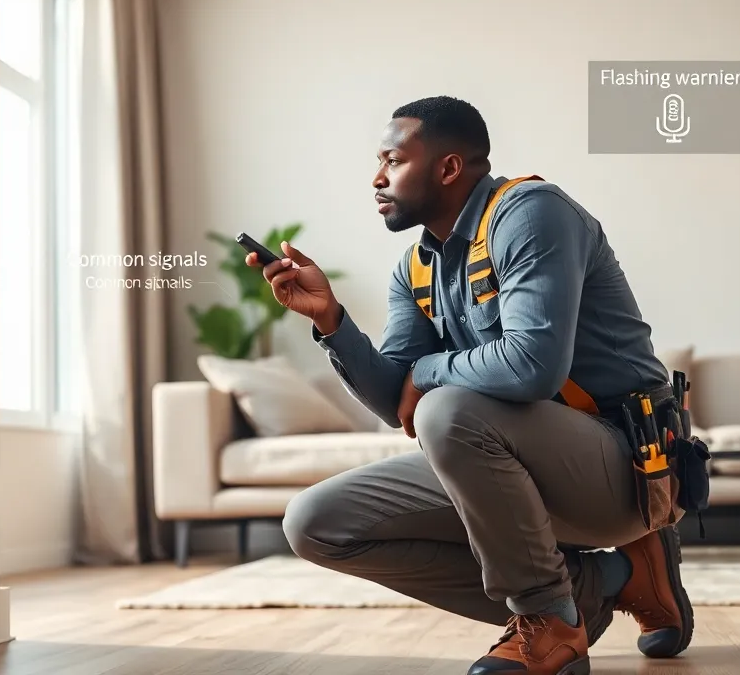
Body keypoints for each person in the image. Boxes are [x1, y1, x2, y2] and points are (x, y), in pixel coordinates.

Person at [246, 96, 693, 675]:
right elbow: (394, 403)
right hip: (515, 467)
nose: (377, 178)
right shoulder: (417, 266)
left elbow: (532, 366)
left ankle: (549, 617)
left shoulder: (532, 214)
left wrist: (428, 373)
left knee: (446, 411)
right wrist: (331, 321)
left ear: (449, 167)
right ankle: (617, 578)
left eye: (393, 160)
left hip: (630, 468)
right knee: (315, 523)